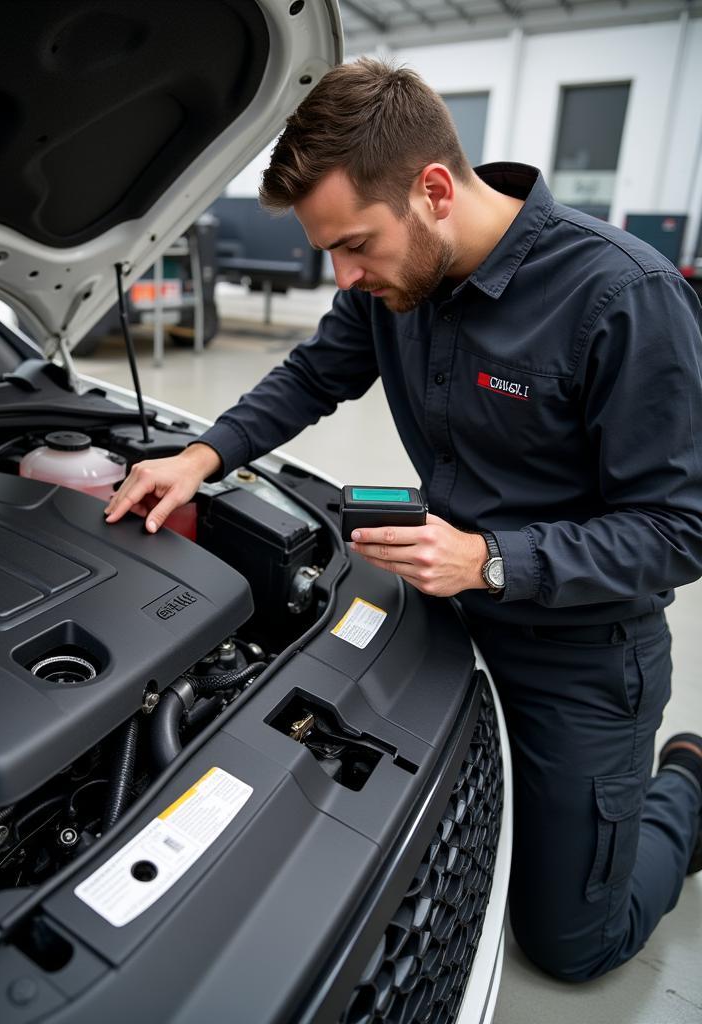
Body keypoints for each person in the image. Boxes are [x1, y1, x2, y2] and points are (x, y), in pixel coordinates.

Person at [105, 59, 702, 980]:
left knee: (572, 943)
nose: (343, 277)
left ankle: (688, 785)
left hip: (579, 648)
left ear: (431, 191)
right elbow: (313, 376)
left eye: (354, 246)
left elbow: (678, 529)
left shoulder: (624, 296)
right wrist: (201, 455)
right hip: (445, 606)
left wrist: (489, 560)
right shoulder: (396, 284)